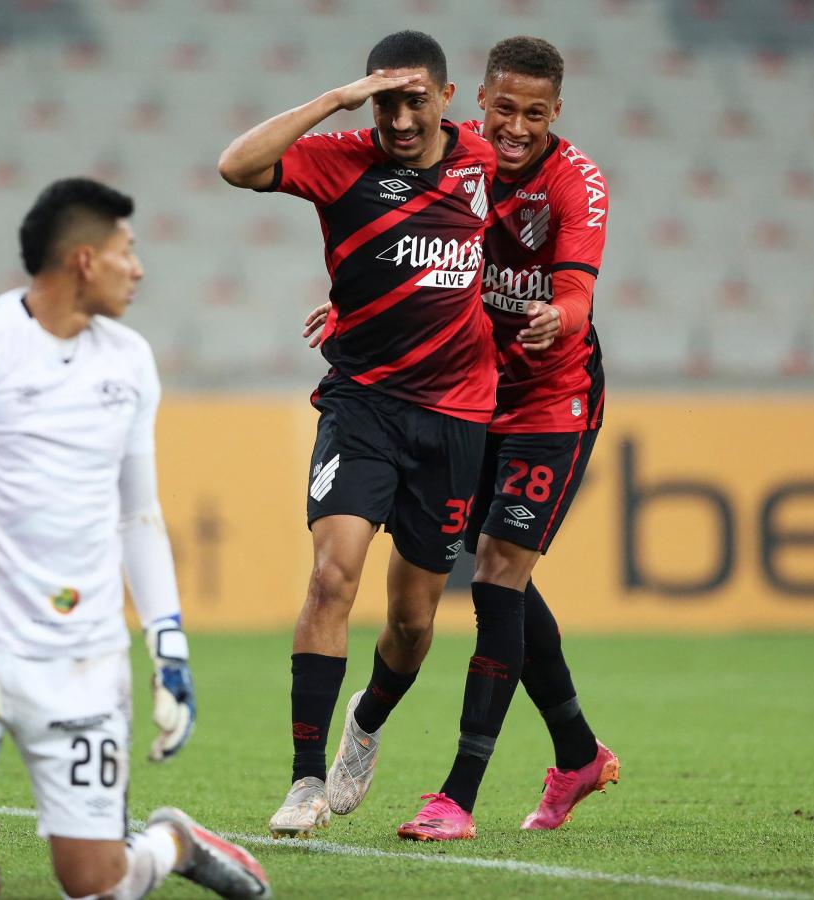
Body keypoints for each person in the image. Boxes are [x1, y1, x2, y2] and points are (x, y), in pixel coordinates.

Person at [0, 177, 270, 900]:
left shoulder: (128, 360)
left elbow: (138, 515)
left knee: (97, 885)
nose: (139, 268)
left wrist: (169, 646)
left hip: (85, 661)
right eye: (128, 250)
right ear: (85, 260)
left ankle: (171, 841)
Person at [304, 36, 620, 840]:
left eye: (535, 114)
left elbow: (578, 287)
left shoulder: (575, 182)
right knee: (499, 578)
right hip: (467, 401)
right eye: (504, 108)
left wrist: (562, 315)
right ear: (478, 101)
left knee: (497, 575)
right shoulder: (458, 158)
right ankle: (578, 752)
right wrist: (349, 311)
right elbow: (410, 259)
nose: (516, 127)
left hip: (552, 399)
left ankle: (458, 796)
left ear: (558, 114)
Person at [217, 30, 500, 838]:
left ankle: (365, 725)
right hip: (363, 406)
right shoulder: (341, 157)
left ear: (447, 100)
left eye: (415, 101)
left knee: (412, 621)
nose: (400, 119)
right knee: (330, 579)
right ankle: (306, 780)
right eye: (385, 102)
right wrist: (335, 100)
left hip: (455, 419)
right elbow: (236, 165)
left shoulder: (483, 160)